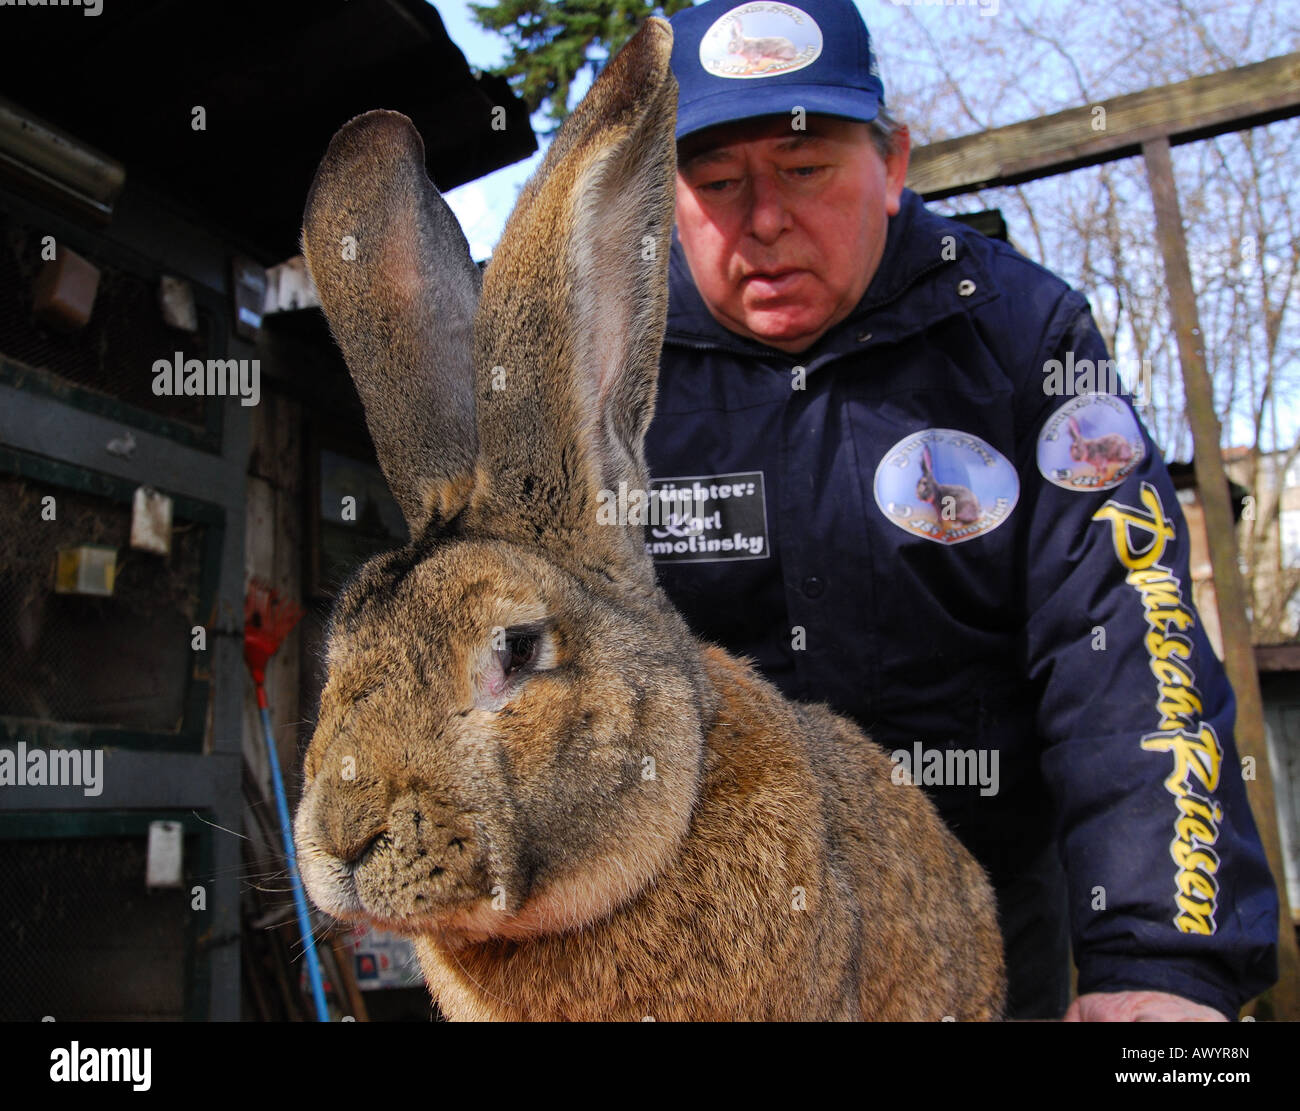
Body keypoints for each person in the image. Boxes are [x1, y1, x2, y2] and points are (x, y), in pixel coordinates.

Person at [644, 0, 1279, 1021]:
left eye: (805, 170)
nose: (762, 220)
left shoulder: (1026, 337)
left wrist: (1158, 964)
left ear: (892, 164)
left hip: (977, 905)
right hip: (700, 926)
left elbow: (1122, 635)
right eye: (716, 183)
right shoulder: (604, 365)